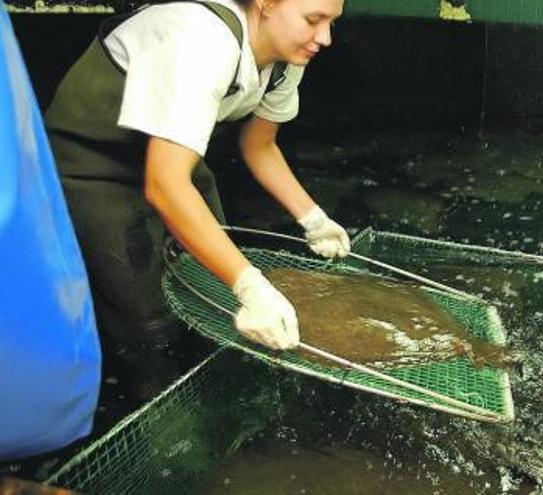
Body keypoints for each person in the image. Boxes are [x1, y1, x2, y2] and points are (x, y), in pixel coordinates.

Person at [44, 0, 347, 379]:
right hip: (93, 162)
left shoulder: (285, 61)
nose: (326, 38)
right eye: (313, 20)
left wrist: (314, 219)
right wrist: (251, 285)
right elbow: (165, 184)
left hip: (174, 160)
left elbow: (260, 146)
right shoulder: (203, 39)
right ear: (265, 4)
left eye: (332, 22)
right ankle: (157, 405)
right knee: (150, 317)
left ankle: (218, 388)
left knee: (215, 288)